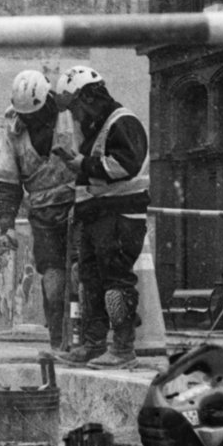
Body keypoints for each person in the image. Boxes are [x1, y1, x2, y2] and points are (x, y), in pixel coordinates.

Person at [52, 67, 149, 370]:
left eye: (77, 107)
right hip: (98, 216)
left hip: (120, 216)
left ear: (90, 96)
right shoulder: (96, 125)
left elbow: (126, 164)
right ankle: (94, 344)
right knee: (91, 281)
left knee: (115, 281)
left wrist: (84, 164)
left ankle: (122, 347)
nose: (76, 115)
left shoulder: (122, 122)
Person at [0, 69, 77, 354]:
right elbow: (8, 182)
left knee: (82, 278)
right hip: (43, 216)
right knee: (54, 284)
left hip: (80, 206)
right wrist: (5, 225)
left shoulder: (71, 115)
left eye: (35, 115)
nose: (30, 121)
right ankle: (58, 343)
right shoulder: (13, 129)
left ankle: (87, 342)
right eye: (25, 116)